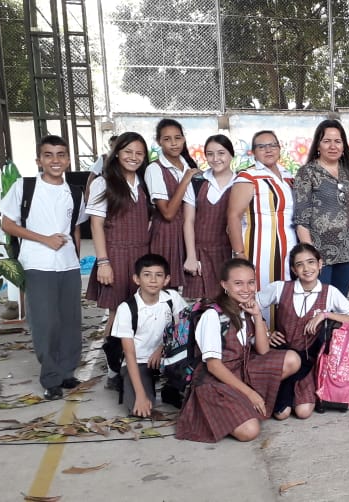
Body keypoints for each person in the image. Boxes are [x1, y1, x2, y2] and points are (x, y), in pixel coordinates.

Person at [0, 135, 87, 401]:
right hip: (37, 263)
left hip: (68, 265)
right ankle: (50, 378)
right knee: (45, 322)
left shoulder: (75, 191)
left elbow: (76, 228)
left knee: (70, 321)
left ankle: (67, 371)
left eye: (61, 154)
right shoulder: (25, 187)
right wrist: (44, 239)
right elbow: (8, 224)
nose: (55, 160)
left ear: (69, 160)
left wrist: (77, 260)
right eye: (48, 155)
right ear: (39, 160)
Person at [175, 259, 301, 443]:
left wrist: (257, 316)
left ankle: (243, 403)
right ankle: (237, 405)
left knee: (292, 359)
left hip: (242, 369)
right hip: (215, 381)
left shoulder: (245, 308)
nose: (246, 289)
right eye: (238, 283)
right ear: (224, 285)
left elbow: (263, 350)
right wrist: (251, 394)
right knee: (249, 431)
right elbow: (214, 367)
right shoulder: (212, 315)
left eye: (251, 282)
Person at [258, 244, 349, 420]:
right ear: (293, 269)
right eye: (300, 264)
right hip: (282, 356)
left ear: (320, 264)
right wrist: (265, 330)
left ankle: (298, 392)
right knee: (281, 414)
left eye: (311, 262)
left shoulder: (330, 292)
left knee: (303, 412)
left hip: (309, 361)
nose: (306, 269)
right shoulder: (280, 288)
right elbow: (250, 306)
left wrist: (325, 314)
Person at [86, 132, 152, 389]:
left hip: (140, 255)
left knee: (139, 311)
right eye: (128, 152)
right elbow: (96, 224)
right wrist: (104, 262)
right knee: (117, 311)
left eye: (139, 153)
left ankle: (134, 363)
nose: (133, 157)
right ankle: (114, 368)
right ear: (117, 154)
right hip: (115, 254)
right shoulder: (104, 183)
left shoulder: (144, 182)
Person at [113, 254, 186, 416]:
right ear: (136, 279)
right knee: (140, 410)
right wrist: (140, 396)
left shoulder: (172, 298)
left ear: (166, 280)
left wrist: (161, 348)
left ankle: (170, 388)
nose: (153, 280)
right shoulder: (126, 308)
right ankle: (131, 384)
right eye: (147, 275)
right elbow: (130, 353)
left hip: (166, 357)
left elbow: (184, 326)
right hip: (139, 361)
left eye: (158, 275)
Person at [226, 130, 297, 299]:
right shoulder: (248, 177)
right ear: (253, 152)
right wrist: (239, 254)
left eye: (273, 145)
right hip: (259, 249)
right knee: (261, 295)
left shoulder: (287, 175)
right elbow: (233, 216)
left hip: (288, 248)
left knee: (284, 295)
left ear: (279, 148)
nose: (268, 150)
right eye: (261, 146)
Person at [293, 120, 349, 295]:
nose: (333, 146)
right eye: (327, 141)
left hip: (347, 253)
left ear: (344, 146)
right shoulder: (307, 173)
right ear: (318, 145)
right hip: (319, 254)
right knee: (318, 304)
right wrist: (310, 257)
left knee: (339, 302)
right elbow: (301, 219)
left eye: (337, 141)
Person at [147, 119, 201, 290]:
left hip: (188, 233)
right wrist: (185, 181)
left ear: (184, 139)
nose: (173, 143)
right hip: (165, 235)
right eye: (167, 139)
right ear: (158, 142)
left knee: (185, 291)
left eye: (177, 138)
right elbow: (168, 213)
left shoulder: (189, 165)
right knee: (163, 287)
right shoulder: (155, 169)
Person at [183, 135, 237, 299]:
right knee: (202, 305)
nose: (216, 159)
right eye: (210, 154)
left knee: (229, 303)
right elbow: (188, 221)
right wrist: (191, 256)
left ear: (231, 154)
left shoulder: (241, 182)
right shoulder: (197, 182)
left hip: (229, 253)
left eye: (221, 153)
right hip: (201, 254)